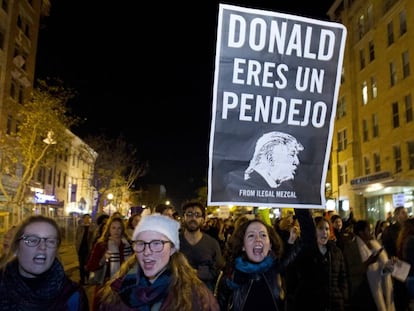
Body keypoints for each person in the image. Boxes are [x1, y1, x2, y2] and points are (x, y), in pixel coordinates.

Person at [97, 213, 220, 310]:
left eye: (157, 243)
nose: (147, 252)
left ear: (172, 248)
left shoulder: (196, 296)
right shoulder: (116, 291)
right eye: (141, 243)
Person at [215, 208, 312, 311]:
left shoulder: (277, 268)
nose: (258, 239)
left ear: (270, 244)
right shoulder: (230, 276)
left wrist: (301, 205)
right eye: (251, 235)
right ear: (243, 245)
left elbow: (308, 239)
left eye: (263, 235)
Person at [0, 215, 89, 310]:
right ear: (16, 248)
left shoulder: (73, 295)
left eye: (51, 241)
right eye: (32, 240)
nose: (42, 247)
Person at [287, 216, 348, 311]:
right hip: (311, 304)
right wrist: (291, 243)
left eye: (327, 229)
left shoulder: (336, 252)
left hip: (334, 304)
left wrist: (342, 297)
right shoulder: (305, 252)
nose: (324, 232)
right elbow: (291, 272)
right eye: (320, 228)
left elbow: (343, 277)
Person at [342, 220, 395, 311]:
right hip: (365, 293)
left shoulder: (376, 246)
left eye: (371, 229)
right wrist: (368, 262)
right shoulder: (352, 248)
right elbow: (352, 272)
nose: (371, 231)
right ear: (361, 232)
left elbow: (383, 272)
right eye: (368, 229)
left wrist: (390, 264)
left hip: (381, 290)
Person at [86, 216, 133, 311]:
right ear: (109, 229)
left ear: (123, 229)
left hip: (125, 286)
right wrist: (103, 259)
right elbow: (90, 266)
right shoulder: (101, 245)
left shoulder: (128, 244)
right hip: (106, 287)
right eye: (113, 228)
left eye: (119, 228)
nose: (116, 231)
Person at [179, 200, 224, 291]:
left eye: (197, 215)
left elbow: (217, 269)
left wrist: (198, 273)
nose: (193, 218)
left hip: (205, 297)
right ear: (183, 218)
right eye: (189, 214)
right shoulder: (174, 241)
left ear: (203, 220)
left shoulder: (212, 243)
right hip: (178, 295)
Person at [382, 206, 409, 311]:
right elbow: (387, 247)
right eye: (403, 213)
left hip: (408, 264)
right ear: (397, 215)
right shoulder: (390, 230)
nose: (405, 215)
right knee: (400, 292)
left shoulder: (408, 229)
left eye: (406, 213)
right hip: (397, 264)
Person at [75, 213, 96, 285]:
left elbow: (93, 238)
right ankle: (82, 279)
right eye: (85, 218)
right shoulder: (80, 227)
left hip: (88, 249)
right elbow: (77, 238)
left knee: (87, 264)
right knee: (81, 265)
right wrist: (77, 247)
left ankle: (88, 278)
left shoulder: (92, 227)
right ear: (83, 219)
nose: (87, 219)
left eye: (88, 218)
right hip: (81, 249)